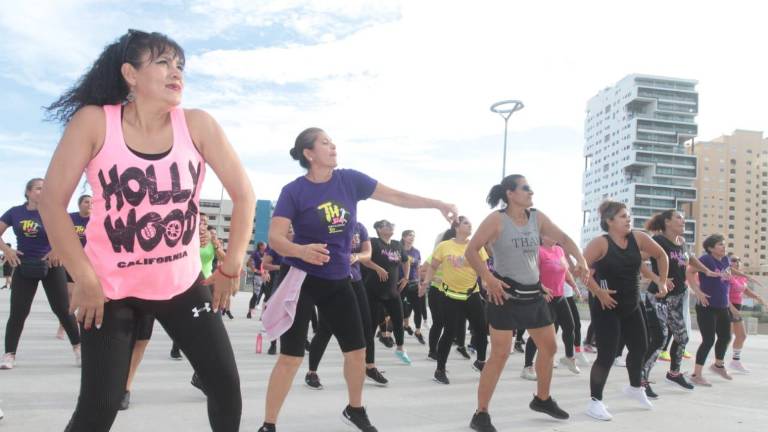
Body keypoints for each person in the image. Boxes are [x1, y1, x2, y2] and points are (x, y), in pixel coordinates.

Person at [39, 29, 254, 431]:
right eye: (163, 62)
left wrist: (232, 266)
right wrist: (84, 277)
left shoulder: (197, 124)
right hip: (109, 291)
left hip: (181, 285)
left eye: (180, 65)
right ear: (130, 74)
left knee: (226, 388)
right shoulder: (95, 122)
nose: (176, 72)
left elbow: (244, 195)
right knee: (98, 409)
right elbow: (51, 201)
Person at [258, 127, 456, 432]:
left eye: (333, 142)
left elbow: (396, 196)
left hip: (339, 280)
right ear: (309, 153)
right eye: (325, 143)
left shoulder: (349, 180)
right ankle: (268, 424)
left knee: (357, 351)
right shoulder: (294, 191)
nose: (333, 146)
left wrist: (437, 203)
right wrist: (300, 250)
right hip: (302, 279)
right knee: (291, 357)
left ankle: (355, 408)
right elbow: (275, 237)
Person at [464, 174, 589, 431]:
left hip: (533, 295)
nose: (531, 192)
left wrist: (582, 261)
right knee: (500, 354)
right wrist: (488, 278)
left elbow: (564, 239)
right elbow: (471, 250)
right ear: (510, 193)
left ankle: (542, 399)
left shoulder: (536, 217)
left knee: (550, 348)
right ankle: (481, 413)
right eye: (526, 188)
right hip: (505, 295)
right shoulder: (496, 220)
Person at [581, 200, 668, 421]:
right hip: (606, 305)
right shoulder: (600, 243)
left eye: (628, 216)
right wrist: (597, 292)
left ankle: (634, 388)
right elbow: (580, 270)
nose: (628, 219)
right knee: (607, 355)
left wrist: (662, 281)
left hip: (632, 304)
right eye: (622, 216)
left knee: (640, 347)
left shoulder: (638, 238)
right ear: (609, 221)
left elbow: (661, 255)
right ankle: (595, 401)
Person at [0, 178, 82, 370]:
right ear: (28, 192)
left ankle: (78, 348)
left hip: (51, 265)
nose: (42, 191)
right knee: (18, 312)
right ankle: (9, 354)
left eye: (45, 188)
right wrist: (7, 250)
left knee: (63, 309)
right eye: (38, 188)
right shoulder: (15, 212)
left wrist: (57, 250)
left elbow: (70, 235)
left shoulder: (54, 212)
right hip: (24, 265)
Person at [638, 210, 718, 397]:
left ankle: (674, 374)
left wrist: (707, 271)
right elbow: (638, 260)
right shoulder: (658, 240)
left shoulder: (681, 242)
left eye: (683, 218)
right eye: (679, 218)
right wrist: (659, 279)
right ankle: (640, 380)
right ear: (667, 222)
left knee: (682, 337)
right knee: (660, 338)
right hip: (659, 297)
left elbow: (690, 258)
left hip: (677, 298)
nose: (683, 221)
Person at [305, 220, 388, 389]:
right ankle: (311, 372)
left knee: (367, 326)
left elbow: (367, 253)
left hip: (355, 280)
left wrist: (356, 256)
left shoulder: (359, 227)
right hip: (331, 280)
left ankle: (370, 367)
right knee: (325, 329)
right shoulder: (325, 223)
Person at [422, 216, 489, 384]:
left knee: (481, 329)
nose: (470, 225)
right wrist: (426, 282)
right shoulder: (444, 246)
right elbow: (433, 266)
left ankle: (481, 362)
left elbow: (483, 267)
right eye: (466, 223)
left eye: (470, 223)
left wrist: (486, 281)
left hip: (471, 294)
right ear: (456, 227)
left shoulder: (475, 246)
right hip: (450, 296)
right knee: (449, 332)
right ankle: (440, 370)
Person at [687, 234, 753, 386]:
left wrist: (730, 303)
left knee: (725, 337)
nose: (724, 247)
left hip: (722, 306)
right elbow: (689, 272)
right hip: (707, 306)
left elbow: (728, 276)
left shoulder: (725, 260)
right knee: (708, 340)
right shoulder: (705, 259)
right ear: (710, 248)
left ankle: (718, 365)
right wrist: (697, 291)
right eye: (720, 244)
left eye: (724, 244)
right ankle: (696, 374)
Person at [521, 236, 581, 380]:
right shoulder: (538, 251)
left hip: (559, 296)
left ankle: (569, 357)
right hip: (543, 298)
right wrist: (541, 290)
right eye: (550, 233)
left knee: (570, 326)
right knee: (539, 334)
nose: (554, 236)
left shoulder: (559, 250)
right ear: (542, 236)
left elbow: (565, 271)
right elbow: (531, 274)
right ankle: (527, 367)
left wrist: (574, 286)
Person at [362, 219, 412, 365]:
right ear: (378, 229)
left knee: (398, 320)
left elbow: (406, 261)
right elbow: (364, 259)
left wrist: (406, 277)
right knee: (371, 326)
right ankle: (366, 358)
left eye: (392, 225)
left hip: (392, 291)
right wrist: (378, 268)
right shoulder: (373, 242)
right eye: (387, 225)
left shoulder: (397, 245)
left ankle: (400, 349)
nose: (391, 227)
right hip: (373, 291)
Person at [57, 194, 92, 339]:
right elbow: (59, 236)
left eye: (92, 202)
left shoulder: (96, 220)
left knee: (86, 295)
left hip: (90, 262)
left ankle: (82, 325)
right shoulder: (71, 218)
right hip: (71, 261)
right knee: (70, 295)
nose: (89, 204)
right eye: (86, 202)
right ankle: (63, 326)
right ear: (79, 204)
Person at [727, 256, 766, 373]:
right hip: (727, 306)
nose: (737, 262)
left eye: (739, 260)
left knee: (742, 336)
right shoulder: (727, 275)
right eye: (734, 260)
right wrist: (731, 307)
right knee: (726, 337)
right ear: (729, 263)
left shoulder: (742, 277)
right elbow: (722, 293)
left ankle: (735, 362)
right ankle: (719, 363)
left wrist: (759, 298)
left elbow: (746, 290)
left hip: (737, 307)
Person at [400, 230, 425, 344]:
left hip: (414, 283)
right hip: (401, 283)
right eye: (410, 235)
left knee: (418, 309)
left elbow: (418, 268)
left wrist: (420, 283)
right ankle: (405, 325)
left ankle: (418, 331)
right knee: (402, 308)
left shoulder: (416, 252)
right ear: (404, 237)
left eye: (413, 236)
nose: (412, 238)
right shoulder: (398, 249)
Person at [247, 241, 267, 318]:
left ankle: (264, 314)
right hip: (258, 276)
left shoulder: (266, 253)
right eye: (264, 245)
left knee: (268, 295)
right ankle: (250, 311)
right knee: (256, 294)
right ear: (260, 246)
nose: (266, 246)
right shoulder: (255, 253)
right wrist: (254, 270)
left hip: (266, 276)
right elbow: (249, 262)